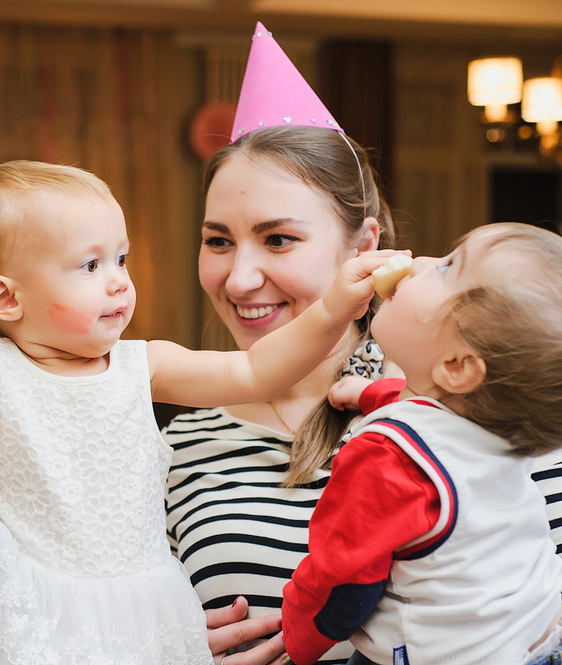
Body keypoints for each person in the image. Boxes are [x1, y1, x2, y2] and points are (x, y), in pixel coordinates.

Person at [0, 160, 401, 665]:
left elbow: (255, 370)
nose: (119, 283)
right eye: (92, 266)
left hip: (139, 597)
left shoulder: (142, 363)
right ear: (7, 297)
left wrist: (333, 308)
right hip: (39, 597)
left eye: (121, 259)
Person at [164, 23, 397, 665]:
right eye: (218, 240)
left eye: (279, 239)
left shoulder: (453, 403)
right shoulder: (172, 445)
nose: (238, 279)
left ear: (363, 247)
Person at [281, 222, 562, 664]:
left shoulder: (383, 457)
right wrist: (369, 394)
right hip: (543, 634)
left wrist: (298, 639)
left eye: (448, 267)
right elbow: (442, 421)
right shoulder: (497, 429)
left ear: (455, 366)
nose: (422, 261)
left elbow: (343, 578)